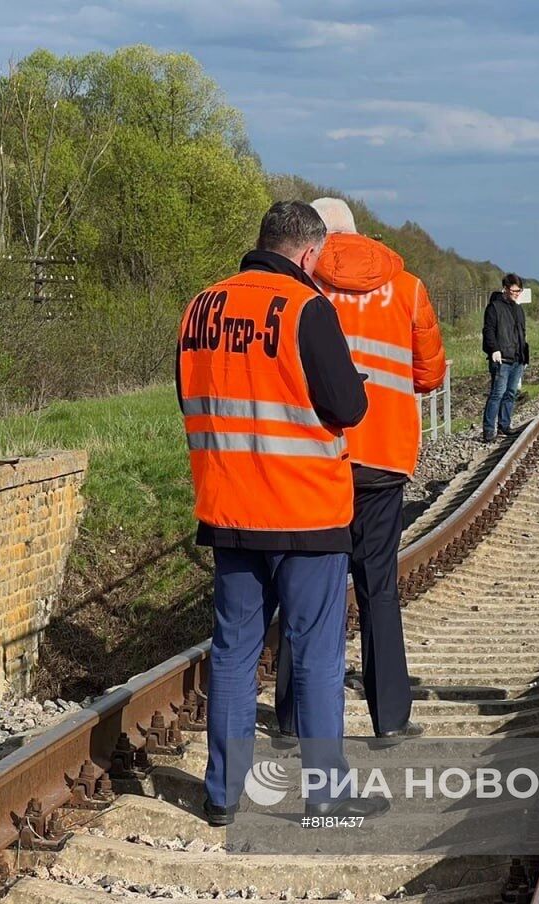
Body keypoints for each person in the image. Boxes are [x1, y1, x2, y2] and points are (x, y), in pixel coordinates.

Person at [177, 201, 388, 825]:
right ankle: (326, 794)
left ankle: (223, 794)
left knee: (235, 653)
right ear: (309, 253)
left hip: (231, 512)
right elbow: (347, 406)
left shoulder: (200, 307)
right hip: (306, 513)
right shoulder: (306, 309)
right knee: (317, 654)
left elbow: (193, 393)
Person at [271, 197, 446, 744]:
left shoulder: (300, 285)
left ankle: (294, 719)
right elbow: (430, 373)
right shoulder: (409, 286)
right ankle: (390, 717)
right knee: (379, 588)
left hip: (318, 455)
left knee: (306, 585)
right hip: (385, 457)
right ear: (360, 232)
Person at [482, 274, 529, 440]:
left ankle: (504, 425)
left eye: (519, 291)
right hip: (501, 359)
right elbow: (488, 331)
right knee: (497, 393)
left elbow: (521, 334)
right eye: (514, 290)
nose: (517, 293)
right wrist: (494, 349)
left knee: (510, 393)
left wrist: (525, 357)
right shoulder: (494, 308)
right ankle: (488, 430)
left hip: (517, 358)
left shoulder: (518, 309)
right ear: (505, 289)